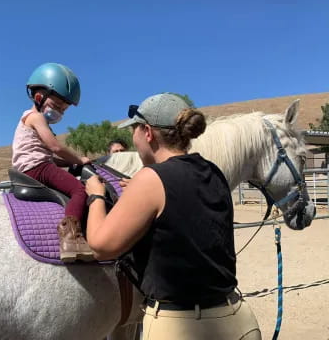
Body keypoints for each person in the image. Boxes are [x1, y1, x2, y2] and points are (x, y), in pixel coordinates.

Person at [85, 93, 261, 339]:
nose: (133, 138)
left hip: (181, 327)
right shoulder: (214, 172)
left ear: (147, 132)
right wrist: (138, 191)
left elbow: (101, 246)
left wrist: (96, 197)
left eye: (134, 130)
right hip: (238, 321)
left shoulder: (149, 180)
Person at [11, 62, 94, 262]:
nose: (59, 112)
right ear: (38, 96)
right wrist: (80, 159)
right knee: (79, 190)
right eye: (56, 106)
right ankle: (70, 239)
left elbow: (50, 155)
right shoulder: (36, 118)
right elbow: (56, 147)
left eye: (63, 110)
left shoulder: (30, 119)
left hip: (33, 167)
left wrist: (69, 164)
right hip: (38, 168)